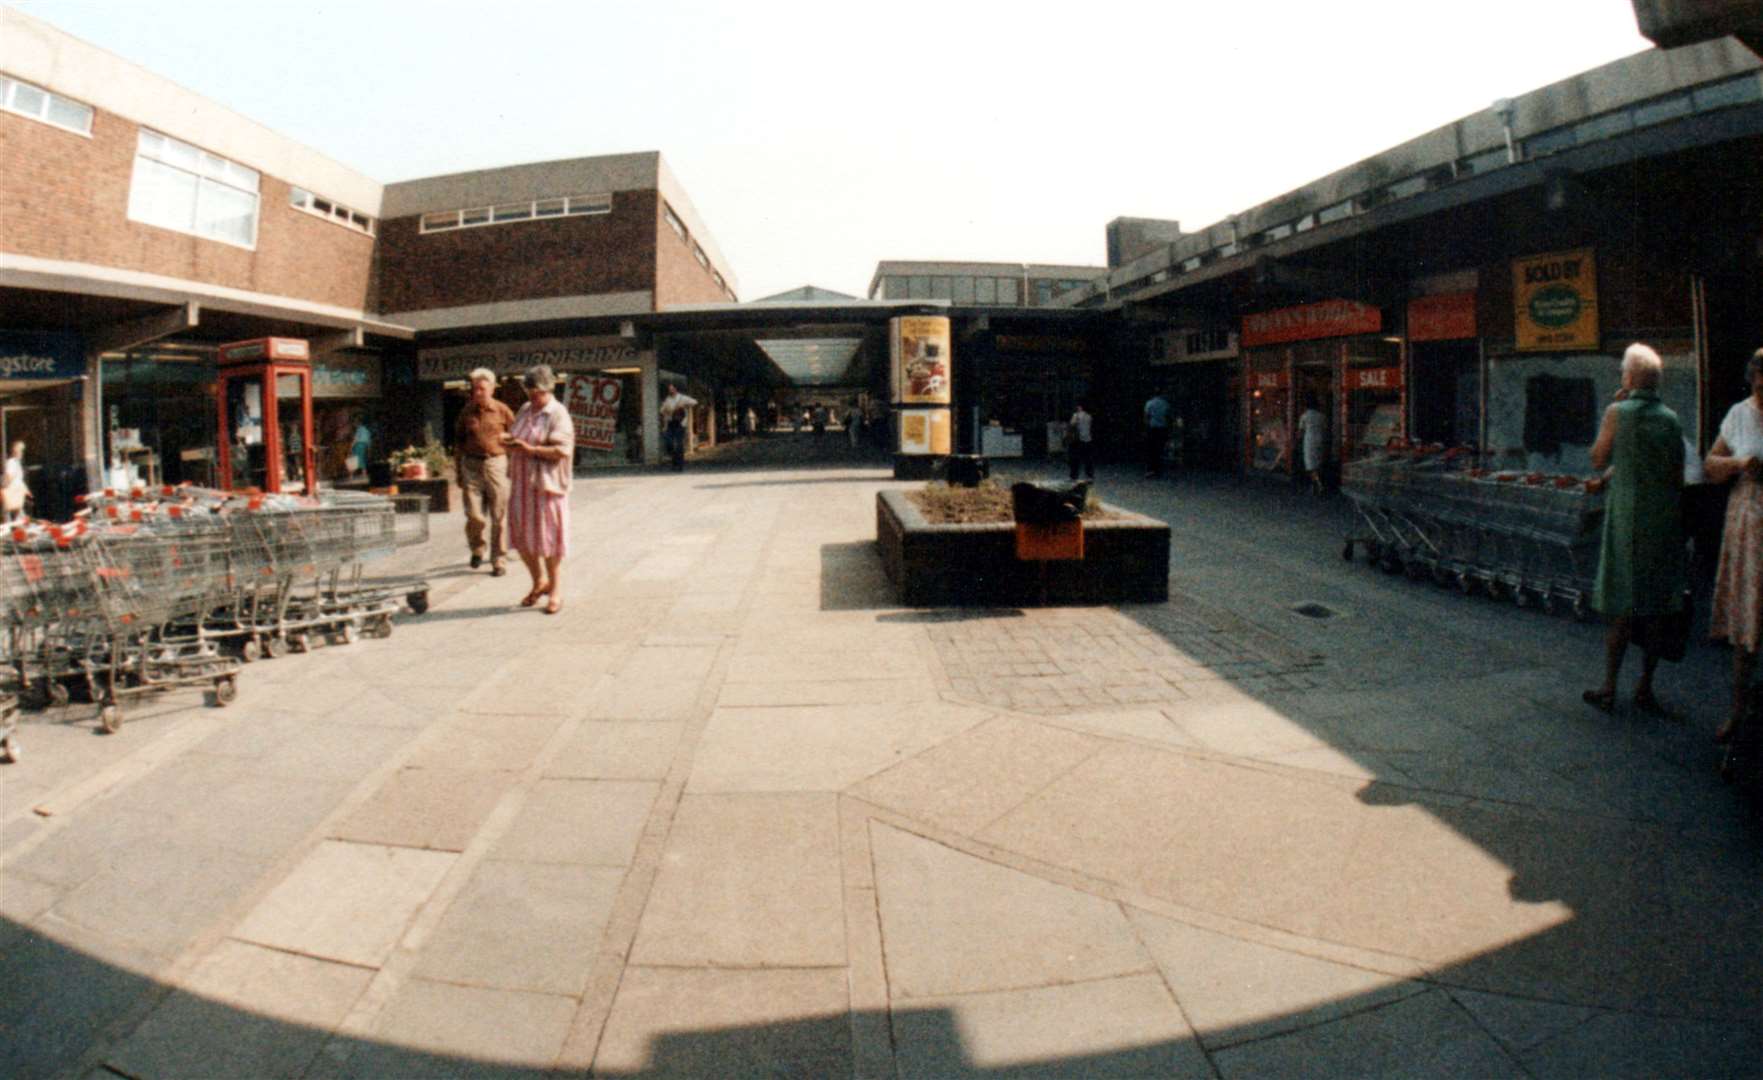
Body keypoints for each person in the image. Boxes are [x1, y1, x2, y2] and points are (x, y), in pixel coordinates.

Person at [1584, 343, 1685, 715]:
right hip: (1662, 521)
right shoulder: (1671, 419)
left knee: (1622, 608)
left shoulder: (1618, 411)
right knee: (1656, 608)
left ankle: (1609, 686)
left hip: (1628, 519)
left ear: (1628, 377)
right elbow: (1674, 473)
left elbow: (1598, 458)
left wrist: (1613, 412)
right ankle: (1645, 687)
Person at [1705, 348, 1763, 744]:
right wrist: (1739, 464)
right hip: (1749, 520)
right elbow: (1710, 465)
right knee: (1748, 622)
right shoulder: (1739, 414)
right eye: (1760, 381)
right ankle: (1738, 712)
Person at [504, 365, 575, 615]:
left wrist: (530, 450)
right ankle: (538, 581)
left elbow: (561, 451)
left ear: (549, 389)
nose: (533, 398)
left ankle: (555, 590)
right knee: (522, 537)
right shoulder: (525, 409)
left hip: (547, 486)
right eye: (530, 393)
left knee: (548, 539)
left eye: (538, 393)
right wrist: (510, 443)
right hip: (522, 484)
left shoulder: (557, 413)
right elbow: (519, 436)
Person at [454, 368, 516, 576]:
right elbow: (459, 441)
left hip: (496, 464)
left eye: (482, 388)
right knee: (474, 514)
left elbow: (516, 435)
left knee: (499, 516)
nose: (478, 393)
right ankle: (478, 548)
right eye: (475, 389)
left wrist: (511, 452)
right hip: (471, 466)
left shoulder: (502, 410)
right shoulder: (466, 411)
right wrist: (458, 471)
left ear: (491, 388)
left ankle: (499, 559)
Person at [659, 383, 697, 472]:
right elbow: (662, 410)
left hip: (680, 423)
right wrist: (666, 411)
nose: (671, 391)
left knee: (679, 444)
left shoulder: (682, 398)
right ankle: (674, 461)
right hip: (671, 423)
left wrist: (684, 406)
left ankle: (679, 465)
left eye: (672, 389)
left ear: (676, 389)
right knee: (669, 443)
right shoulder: (667, 399)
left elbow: (694, 402)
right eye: (669, 389)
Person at [1298, 395, 1327, 495]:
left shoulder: (1305, 416)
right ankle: (1316, 484)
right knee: (1318, 462)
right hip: (1320, 439)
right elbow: (1325, 428)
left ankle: (1318, 484)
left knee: (1310, 464)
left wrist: (1298, 440)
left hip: (1309, 441)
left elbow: (1301, 431)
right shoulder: (1321, 416)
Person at [1143, 391, 1171, 477]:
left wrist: (1146, 428)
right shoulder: (1165, 403)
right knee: (1160, 449)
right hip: (1162, 428)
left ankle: (1150, 469)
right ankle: (1158, 469)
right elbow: (1168, 416)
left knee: (1151, 449)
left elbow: (1146, 416)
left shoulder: (1149, 403)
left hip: (1152, 428)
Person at [1068, 402, 1096, 481]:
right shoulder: (1089, 416)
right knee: (1088, 459)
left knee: (1075, 459)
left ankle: (1074, 476)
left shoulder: (1076, 415)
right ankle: (1089, 476)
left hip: (1078, 440)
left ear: (1080, 407)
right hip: (1088, 440)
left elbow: (1071, 425)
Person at [2, 441, 29, 524]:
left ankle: (17, 526)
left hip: (17, 492)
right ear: (15, 452)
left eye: (22, 451)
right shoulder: (11, 462)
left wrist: (25, 490)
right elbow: (9, 477)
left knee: (16, 512)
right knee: (9, 511)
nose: (22, 453)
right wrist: (4, 488)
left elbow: (18, 479)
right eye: (20, 451)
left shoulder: (17, 463)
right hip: (12, 491)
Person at [349, 414, 372, 480]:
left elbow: (355, 439)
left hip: (358, 445)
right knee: (362, 460)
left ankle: (351, 476)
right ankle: (364, 474)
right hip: (364, 446)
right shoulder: (367, 430)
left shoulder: (359, 429)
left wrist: (351, 446)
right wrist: (369, 449)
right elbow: (369, 441)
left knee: (354, 460)